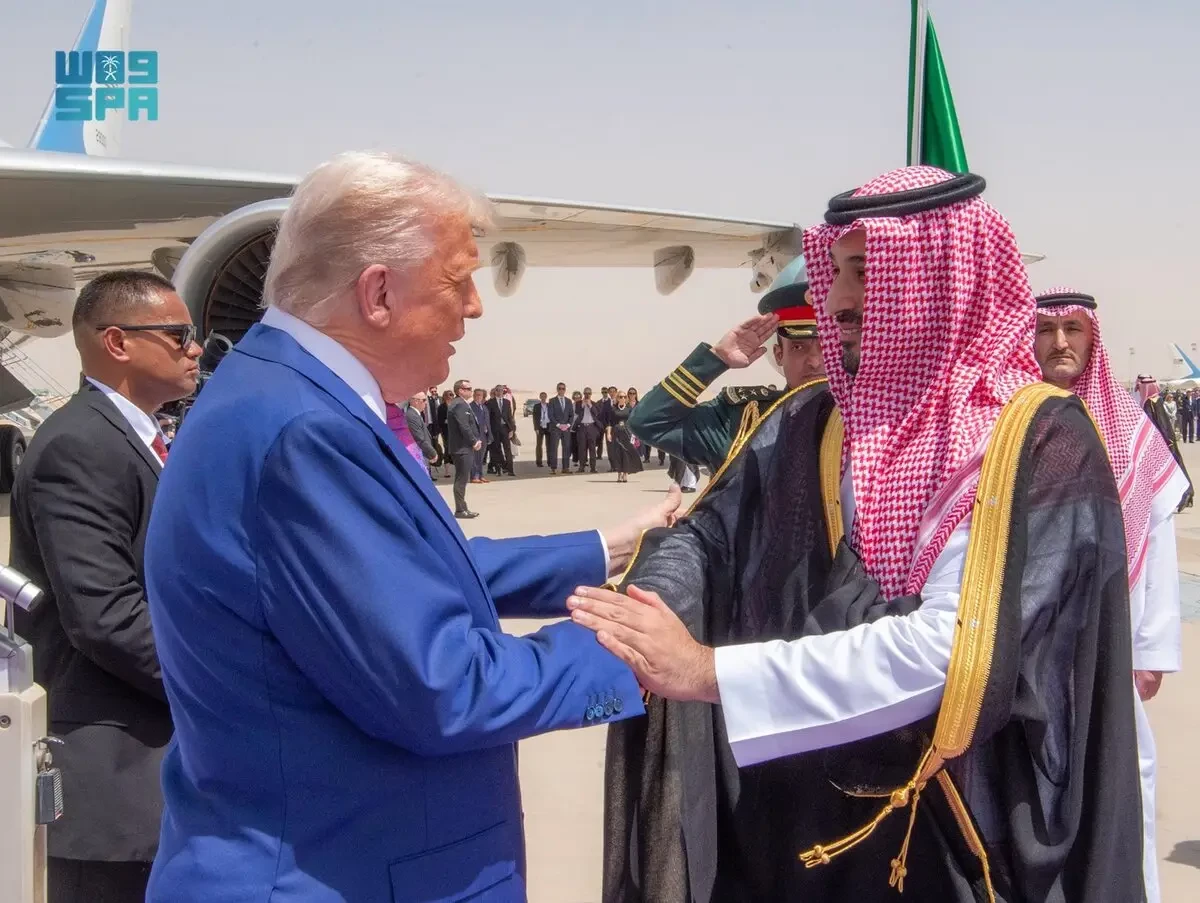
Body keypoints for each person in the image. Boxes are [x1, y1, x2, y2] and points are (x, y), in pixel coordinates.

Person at [571, 167, 1143, 902]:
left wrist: (706, 672)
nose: (836, 300)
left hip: (956, 835)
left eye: (864, 273)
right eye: (835, 272)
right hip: (805, 830)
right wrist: (645, 608)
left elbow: (952, 653)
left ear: (938, 281)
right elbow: (707, 540)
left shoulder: (1033, 439)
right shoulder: (811, 420)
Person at [143, 151, 681, 903]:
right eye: (458, 281)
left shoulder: (277, 392)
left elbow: (397, 572)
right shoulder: (305, 433)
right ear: (378, 293)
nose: (475, 307)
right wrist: (634, 645)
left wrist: (605, 548)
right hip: (342, 875)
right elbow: (442, 687)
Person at [10, 270, 201, 903]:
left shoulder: (127, 437)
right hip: (113, 774)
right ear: (117, 342)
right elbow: (106, 617)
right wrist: (216, 685)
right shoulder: (81, 444)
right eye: (178, 335)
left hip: (148, 760)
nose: (196, 349)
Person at [1034, 287, 1188, 903]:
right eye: (1046, 330)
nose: (1060, 343)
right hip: (1027, 645)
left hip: (1111, 642)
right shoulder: (1007, 419)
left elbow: (1159, 536)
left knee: (1119, 777)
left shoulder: (1128, 428)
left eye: (1073, 329)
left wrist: (1150, 650)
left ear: (1092, 338)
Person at [628, 256, 826, 474]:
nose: (815, 361)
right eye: (798, 347)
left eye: (828, 347)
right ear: (779, 355)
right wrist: (715, 359)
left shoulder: (858, 425)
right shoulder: (740, 421)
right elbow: (648, 423)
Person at [1138, 375, 1194, 508]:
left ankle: (1187, 493)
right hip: (1160, 441)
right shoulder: (1150, 402)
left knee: (1175, 469)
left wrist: (1163, 442)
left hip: (1163, 442)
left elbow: (1161, 424)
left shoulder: (1153, 402)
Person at [447, 378, 482, 517]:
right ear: (460, 390)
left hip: (463, 447)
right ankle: (460, 510)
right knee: (461, 479)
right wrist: (474, 441)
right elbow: (464, 426)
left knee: (462, 479)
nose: (471, 391)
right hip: (462, 448)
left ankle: (462, 508)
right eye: (468, 389)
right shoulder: (459, 405)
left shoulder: (461, 403)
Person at [605, 389, 644, 483]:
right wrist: (608, 433)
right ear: (617, 398)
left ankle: (625, 474)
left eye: (624, 397)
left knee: (626, 453)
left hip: (627, 434)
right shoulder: (613, 409)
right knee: (617, 453)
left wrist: (634, 434)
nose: (622, 398)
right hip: (616, 433)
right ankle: (619, 474)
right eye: (620, 397)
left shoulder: (629, 409)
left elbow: (632, 422)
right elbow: (610, 422)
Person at [400, 391, 439, 473]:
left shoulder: (415, 414)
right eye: (424, 400)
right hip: (420, 455)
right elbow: (419, 438)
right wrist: (433, 453)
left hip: (423, 454)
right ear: (416, 401)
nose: (426, 403)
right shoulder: (412, 415)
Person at [487, 385, 516, 476]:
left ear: (503, 391)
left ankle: (510, 470)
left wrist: (512, 430)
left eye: (501, 390)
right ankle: (500, 468)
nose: (499, 392)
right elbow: (488, 418)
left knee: (508, 449)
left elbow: (510, 417)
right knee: (497, 449)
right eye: (497, 390)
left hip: (505, 428)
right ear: (495, 391)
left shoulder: (507, 402)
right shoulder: (490, 403)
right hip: (495, 429)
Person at [573, 387, 602, 473]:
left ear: (591, 394)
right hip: (582, 427)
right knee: (582, 448)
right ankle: (581, 467)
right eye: (585, 393)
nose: (587, 395)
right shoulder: (578, 403)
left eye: (589, 393)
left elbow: (596, 413)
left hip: (591, 427)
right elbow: (577, 412)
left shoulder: (594, 403)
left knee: (592, 448)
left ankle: (593, 467)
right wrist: (583, 405)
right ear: (583, 394)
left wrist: (590, 405)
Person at [547, 382, 574, 473]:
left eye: (563, 388)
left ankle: (565, 468)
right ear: (557, 389)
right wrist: (558, 425)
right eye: (560, 388)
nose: (561, 390)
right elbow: (550, 415)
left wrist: (568, 425)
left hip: (566, 429)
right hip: (555, 429)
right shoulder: (552, 401)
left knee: (566, 448)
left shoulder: (568, 401)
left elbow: (571, 415)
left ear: (565, 390)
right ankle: (553, 468)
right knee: (554, 448)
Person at [470, 386, 493, 484]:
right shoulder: (470, 407)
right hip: (476, 436)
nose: (479, 397)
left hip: (484, 435)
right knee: (475, 457)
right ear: (474, 396)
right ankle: (474, 476)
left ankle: (480, 475)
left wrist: (490, 435)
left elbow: (488, 423)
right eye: (477, 395)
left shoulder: (484, 408)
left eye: (481, 395)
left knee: (481, 457)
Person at [532, 390, 551, 467]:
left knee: (549, 445)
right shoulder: (536, 406)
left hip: (548, 426)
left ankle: (550, 461)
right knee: (539, 445)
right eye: (542, 396)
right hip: (540, 427)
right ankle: (539, 462)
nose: (543, 398)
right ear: (540, 397)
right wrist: (536, 428)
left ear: (546, 397)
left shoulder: (549, 405)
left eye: (544, 396)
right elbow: (534, 418)